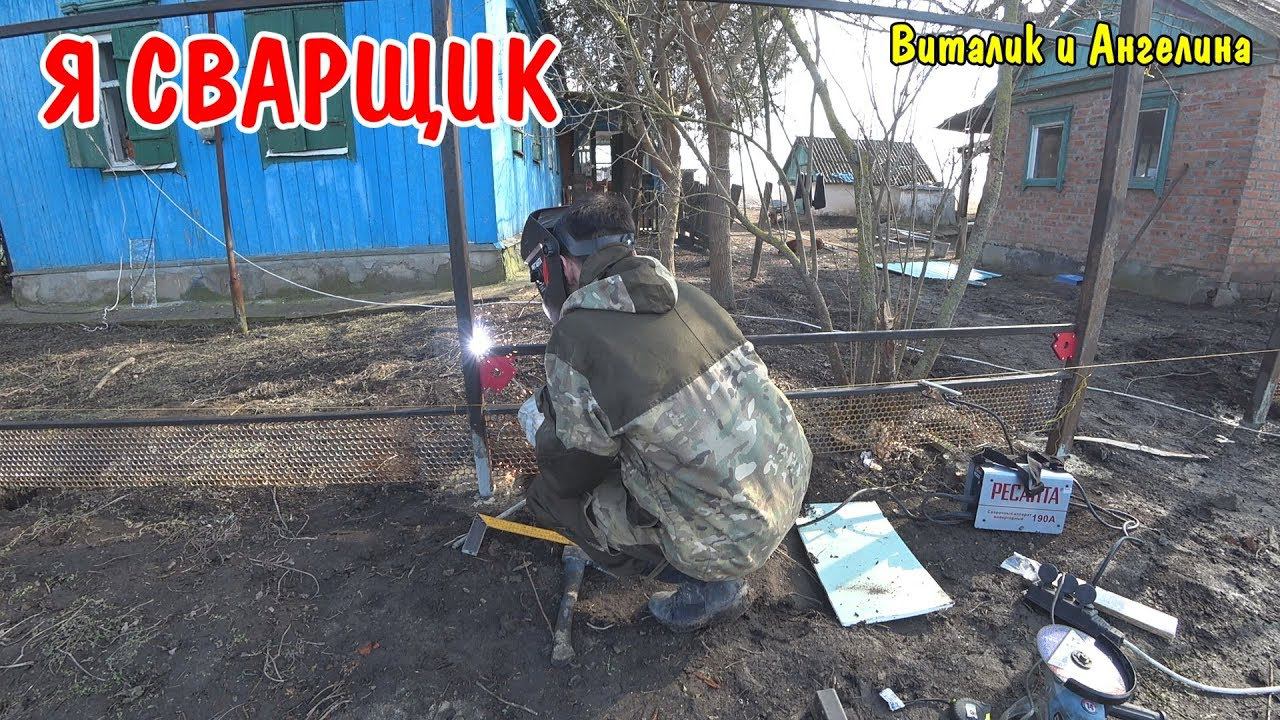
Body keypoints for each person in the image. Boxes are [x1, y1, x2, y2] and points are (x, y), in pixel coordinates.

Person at [519, 194, 812, 633]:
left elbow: (573, 469)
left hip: (732, 540)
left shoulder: (577, 336)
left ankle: (707, 583)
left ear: (561, 265)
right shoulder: (692, 298)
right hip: (786, 488)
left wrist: (543, 429)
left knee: (550, 497)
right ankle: (710, 552)